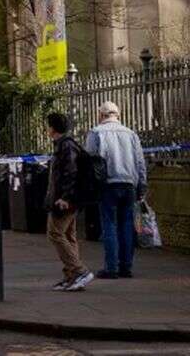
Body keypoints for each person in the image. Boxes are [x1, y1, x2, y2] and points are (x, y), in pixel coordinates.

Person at [85, 101, 147, 279]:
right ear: (117, 115)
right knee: (127, 225)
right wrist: (142, 186)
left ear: (101, 115)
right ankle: (126, 267)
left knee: (109, 225)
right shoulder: (131, 134)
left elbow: (90, 162)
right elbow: (140, 163)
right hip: (129, 185)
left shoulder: (96, 133)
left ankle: (111, 268)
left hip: (107, 185)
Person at [44, 112, 94, 292]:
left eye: (48, 125)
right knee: (68, 235)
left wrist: (65, 197)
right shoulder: (64, 145)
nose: (46, 128)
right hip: (68, 198)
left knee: (55, 233)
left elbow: (70, 172)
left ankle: (80, 271)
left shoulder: (66, 146)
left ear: (52, 128)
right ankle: (71, 275)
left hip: (65, 199)